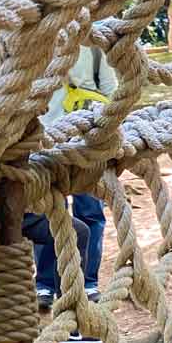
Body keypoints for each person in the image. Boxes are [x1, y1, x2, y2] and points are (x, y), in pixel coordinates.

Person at [34, 44, 117, 306]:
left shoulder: (94, 46)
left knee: (90, 213)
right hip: (47, 140)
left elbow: (111, 91)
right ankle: (45, 284)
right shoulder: (41, 39)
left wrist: (103, 134)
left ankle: (87, 282)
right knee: (48, 213)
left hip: (86, 141)